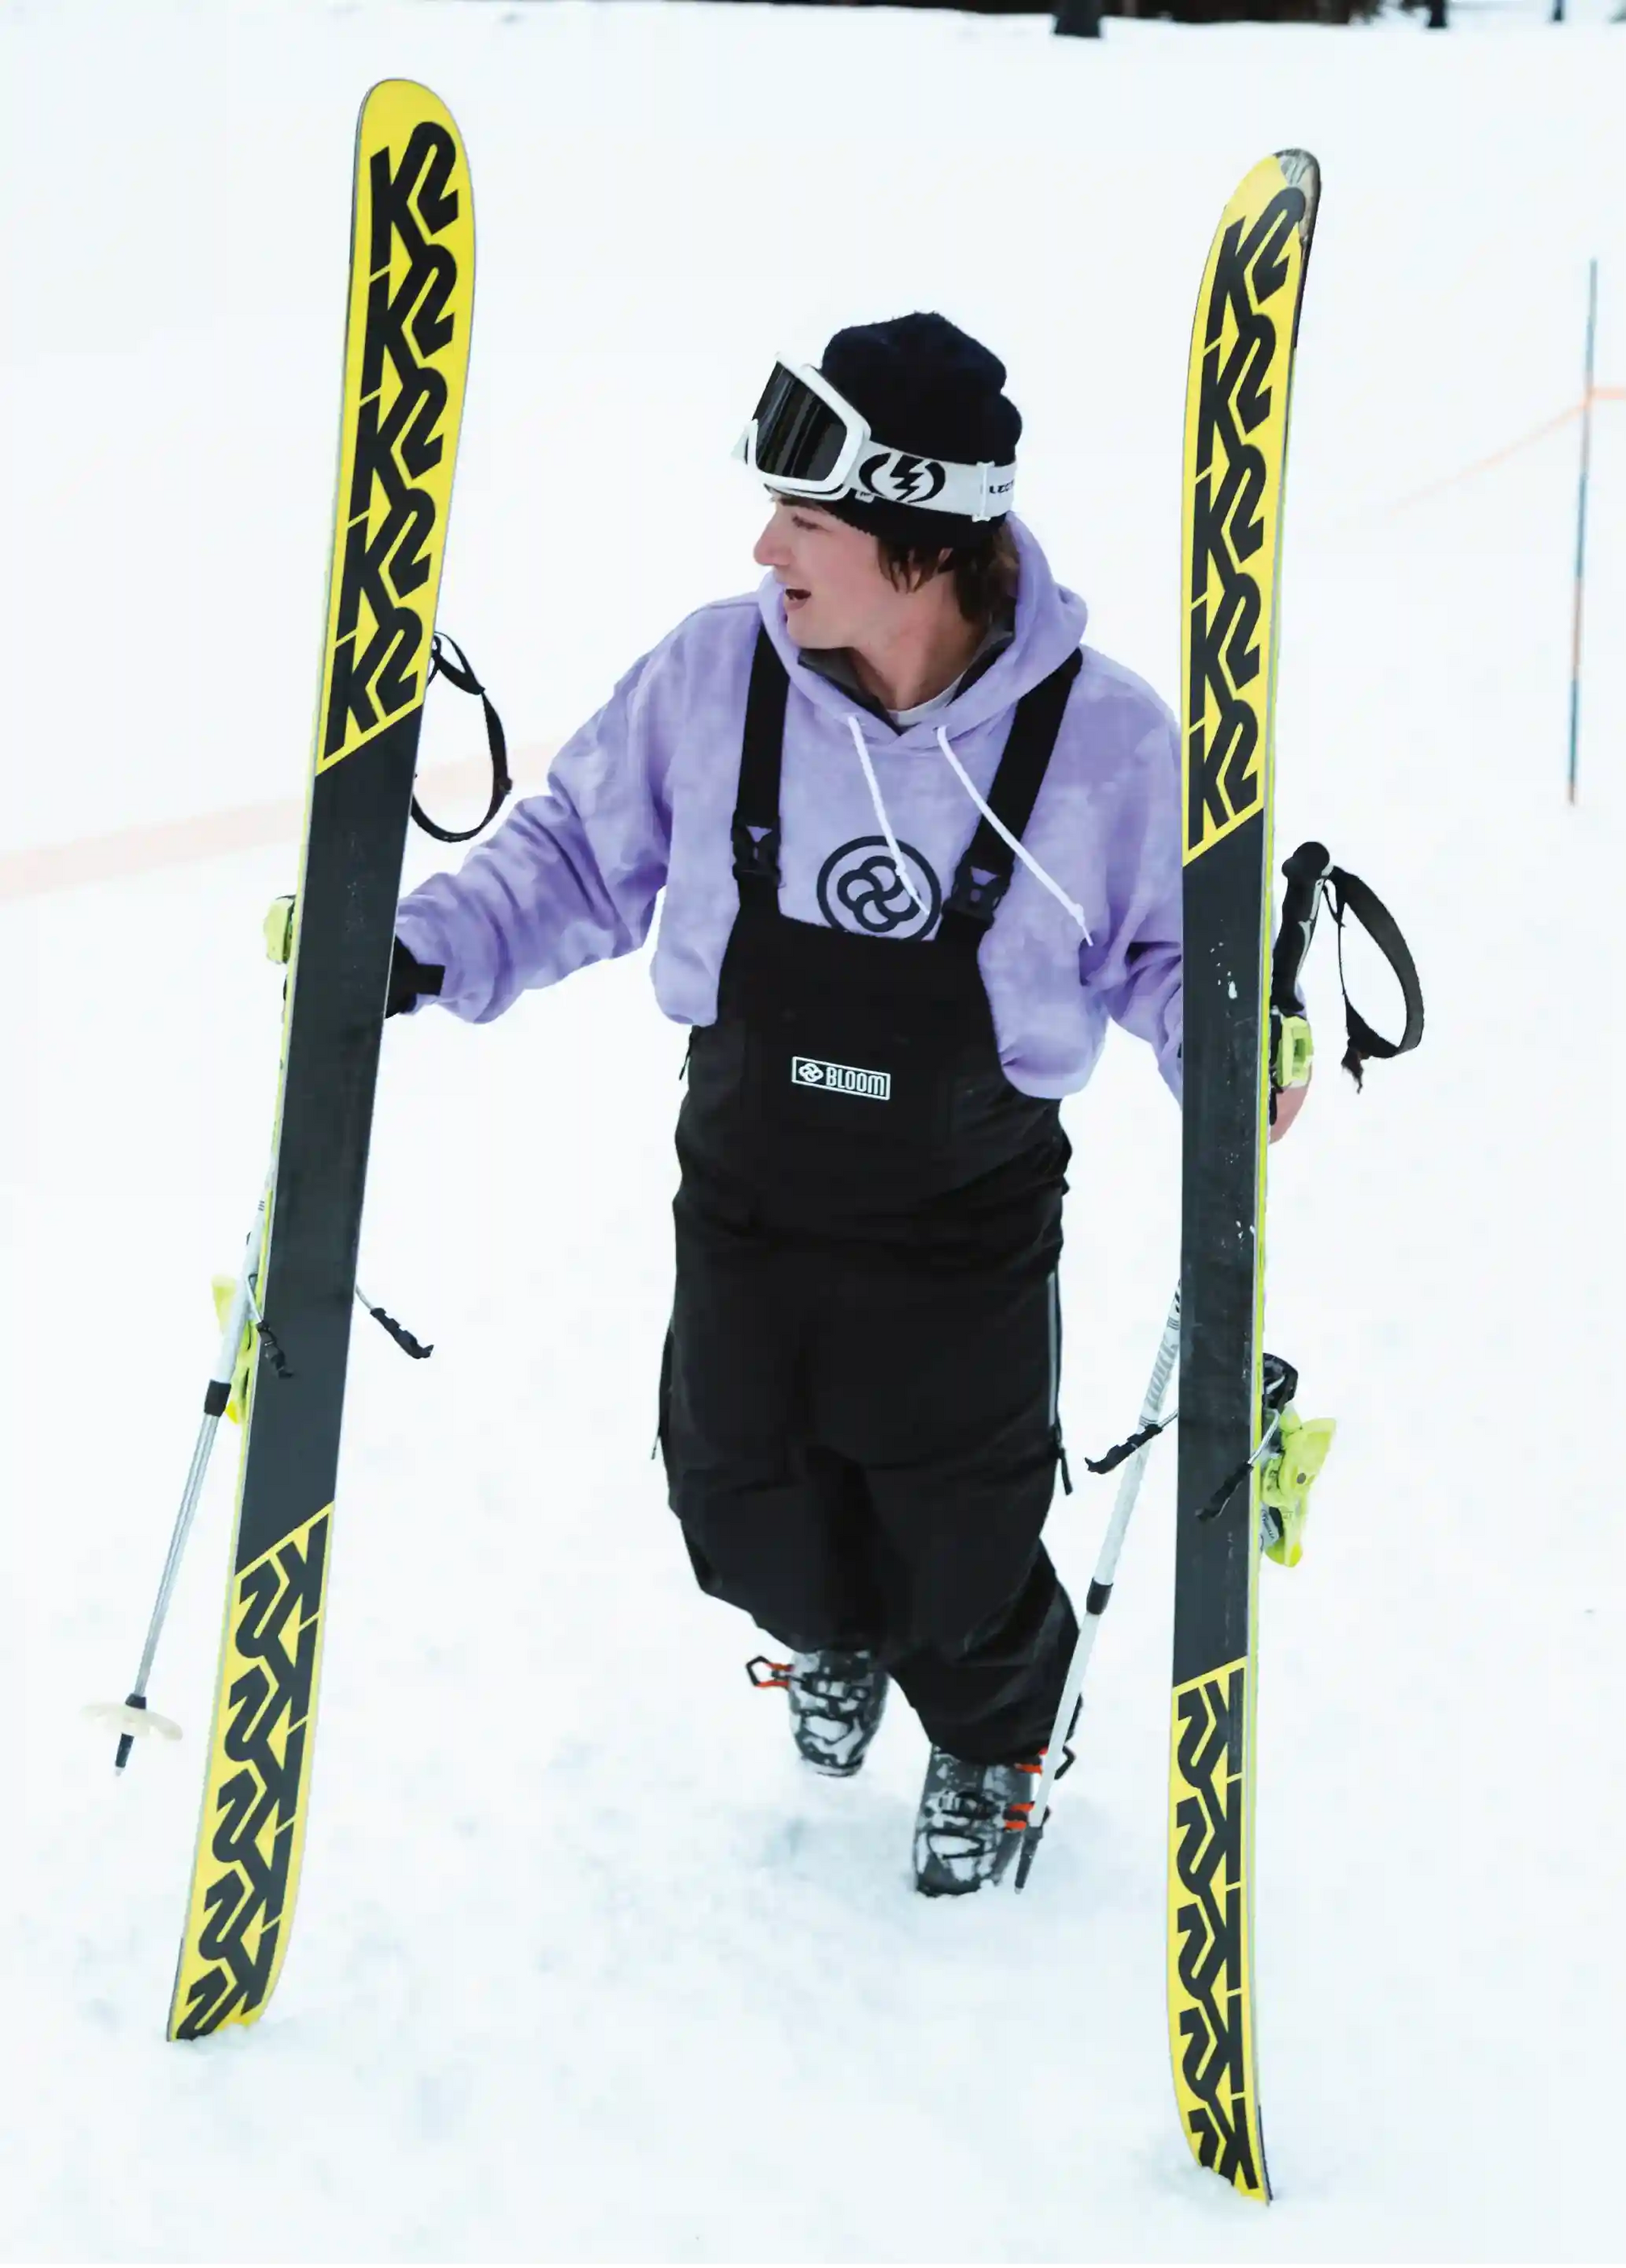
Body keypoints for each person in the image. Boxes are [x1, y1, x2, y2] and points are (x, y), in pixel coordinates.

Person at [390, 313, 1297, 1895]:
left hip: (961, 1209)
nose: (765, 546)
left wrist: (1231, 1043)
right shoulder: (715, 671)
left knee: (956, 1536)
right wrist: (426, 944)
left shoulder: (1108, 742)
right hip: (751, 1175)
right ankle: (835, 1634)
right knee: (739, 1500)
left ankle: (996, 1734)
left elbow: (1163, 950)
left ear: (920, 544)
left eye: (804, 522)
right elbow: (577, 857)